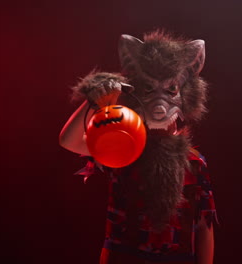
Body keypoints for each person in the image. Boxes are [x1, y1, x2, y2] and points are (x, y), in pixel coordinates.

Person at [59, 31, 217, 264]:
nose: (160, 105)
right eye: (150, 89)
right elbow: (69, 141)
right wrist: (95, 98)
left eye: (171, 89)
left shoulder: (194, 162)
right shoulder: (121, 145)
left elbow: (204, 225)